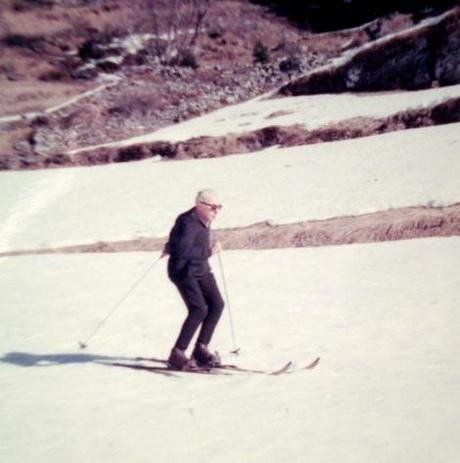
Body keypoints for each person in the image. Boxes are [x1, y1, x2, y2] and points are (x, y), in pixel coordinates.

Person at [163, 189, 225, 370]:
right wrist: (209, 251)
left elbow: (176, 240)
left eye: (219, 207)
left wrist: (170, 245)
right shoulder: (187, 222)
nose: (216, 211)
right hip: (183, 271)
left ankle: (200, 349)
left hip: (200, 268)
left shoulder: (204, 218)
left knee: (216, 304)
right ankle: (177, 354)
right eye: (213, 207)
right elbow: (182, 251)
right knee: (198, 309)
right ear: (200, 205)